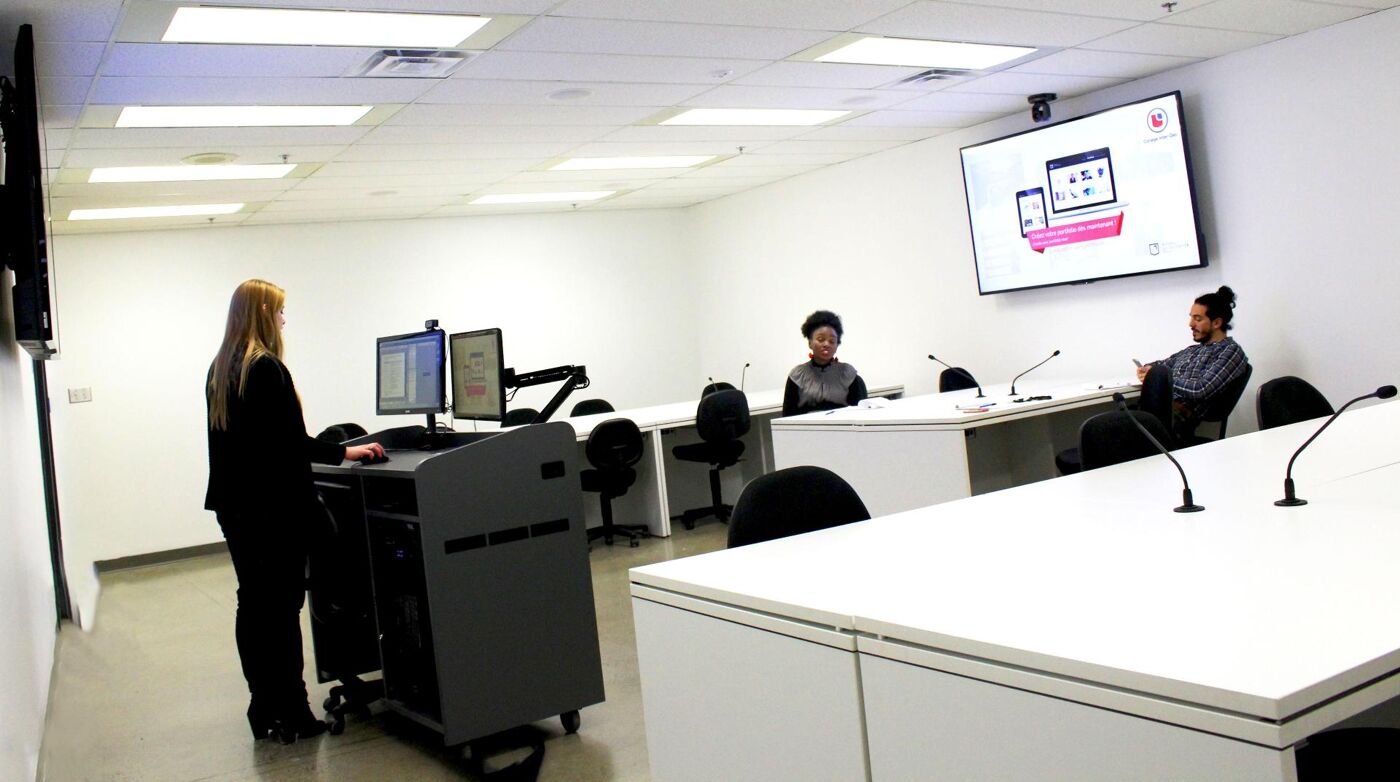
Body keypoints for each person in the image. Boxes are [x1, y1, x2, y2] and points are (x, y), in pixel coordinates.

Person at [204, 279, 384, 743]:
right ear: (264, 312)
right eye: (281, 311)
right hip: (273, 512)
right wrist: (347, 454)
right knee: (282, 614)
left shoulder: (222, 368)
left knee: (254, 606)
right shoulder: (265, 368)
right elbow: (290, 445)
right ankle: (295, 714)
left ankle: (263, 708)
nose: (284, 320)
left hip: (236, 509)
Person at [1136, 285, 1248, 439]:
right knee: (1112, 421)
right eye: (1191, 317)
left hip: (1179, 418)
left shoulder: (1230, 351)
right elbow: (1160, 365)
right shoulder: (1192, 350)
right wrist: (1148, 369)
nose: (1191, 324)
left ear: (1216, 323)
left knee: (1115, 429)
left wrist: (1162, 379)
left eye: (1198, 319)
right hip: (1161, 410)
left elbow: (1200, 389)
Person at [782, 310, 867, 417]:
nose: (826, 344)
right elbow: (787, 418)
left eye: (832, 341)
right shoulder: (797, 376)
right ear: (810, 343)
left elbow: (861, 416)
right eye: (820, 339)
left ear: (837, 345)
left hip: (842, 430)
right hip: (806, 431)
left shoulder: (848, 374)